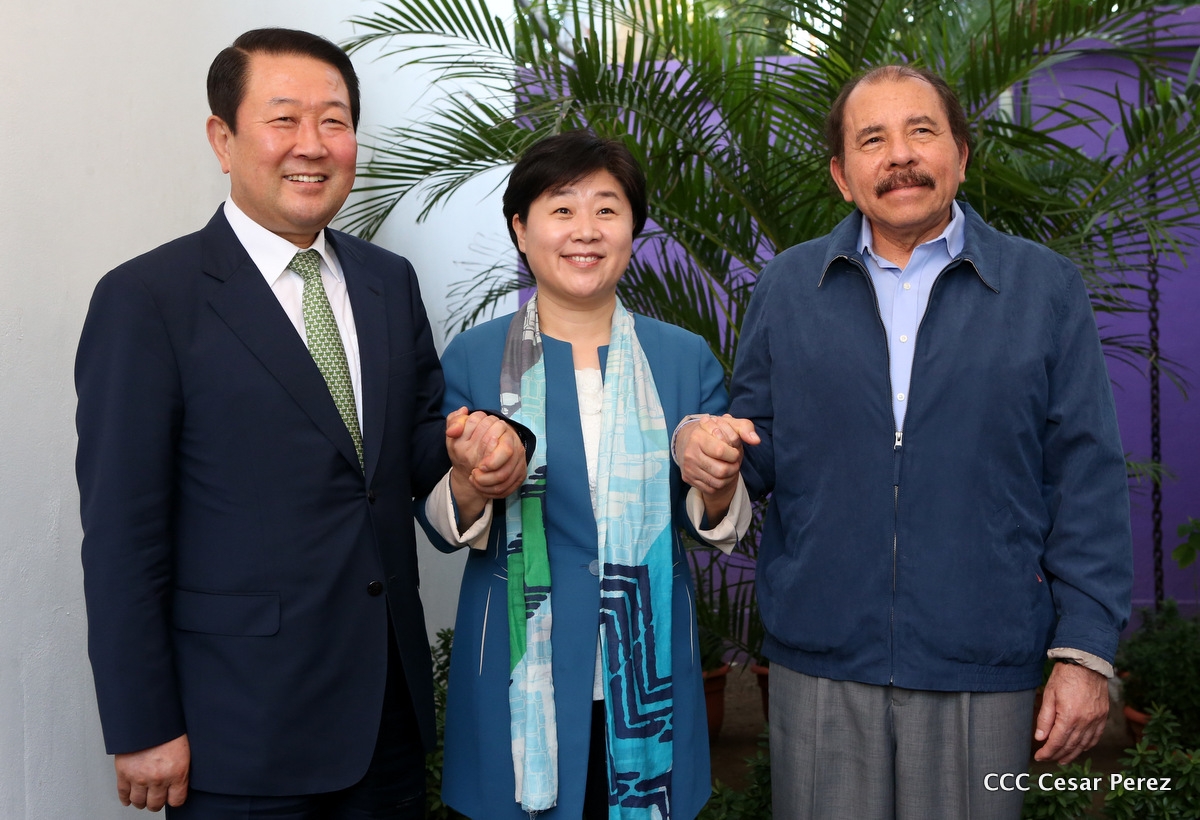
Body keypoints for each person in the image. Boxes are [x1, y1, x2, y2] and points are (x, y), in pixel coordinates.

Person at [75, 27, 524, 817]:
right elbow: (121, 534)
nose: (312, 145)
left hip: (385, 720)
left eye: (334, 121)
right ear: (223, 138)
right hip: (238, 731)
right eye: (283, 119)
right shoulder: (148, 300)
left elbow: (416, 449)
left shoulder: (387, 282)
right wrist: (142, 724)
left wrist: (479, 454)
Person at [677, 65, 1133, 819]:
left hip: (984, 658)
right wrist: (712, 463)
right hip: (821, 659)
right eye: (872, 139)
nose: (900, 156)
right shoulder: (788, 286)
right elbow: (755, 450)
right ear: (841, 176)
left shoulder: (1044, 288)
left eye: (922, 131)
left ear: (961, 154)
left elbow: (1086, 476)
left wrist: (1085, 653)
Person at [416, 131, 751, 820]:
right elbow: (440, 523)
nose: (586, 230)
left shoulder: (683, 358)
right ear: (521, 228)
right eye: (562, 209)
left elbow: (715, 521)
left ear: (633, 228)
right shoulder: (474, 358)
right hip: (516, 671)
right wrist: (476, 482)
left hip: (648, 667)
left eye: (607, 209)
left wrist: (717, 482)